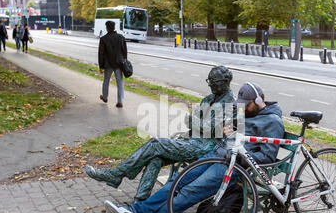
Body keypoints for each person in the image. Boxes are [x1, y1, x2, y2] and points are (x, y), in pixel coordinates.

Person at [103, 83, 285, 213]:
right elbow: (236, 135)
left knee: (189, 192)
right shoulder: (248, 113)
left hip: (232, 168)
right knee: (176, 181)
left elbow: (267, 156)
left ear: (259, 100)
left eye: (247, 104)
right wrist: (227, 132)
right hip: (217, 155)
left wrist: (237, 153)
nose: (242, 107)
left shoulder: (272, 122)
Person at [85, 66, 235, 203]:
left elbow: (209, 128)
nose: (210, 84)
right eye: (209, 80)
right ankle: (140, 201)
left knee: (155, 144)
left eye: (213, 81)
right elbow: (191, 120)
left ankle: (116, 174)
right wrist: (196, 122)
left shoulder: (230, 104)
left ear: (225, 81)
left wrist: (196, 122)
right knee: (155, 157)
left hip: (207, 148)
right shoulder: (210, 98)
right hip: (192, 140)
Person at [98, 21, 128, 108]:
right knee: (119, 82)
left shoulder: (103, 39)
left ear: (107, 27)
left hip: (108, 64)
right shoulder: (121, 37)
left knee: (106, 81)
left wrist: (101, 66)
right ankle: (120, 101)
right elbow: (125, 51)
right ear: (114, 27)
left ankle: (105, 97)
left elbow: (101, 54)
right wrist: (124, 61)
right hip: (119, 63)